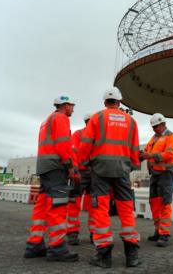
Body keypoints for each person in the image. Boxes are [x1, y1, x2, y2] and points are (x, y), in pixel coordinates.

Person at [79, 87, 141, 268]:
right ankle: (132, 256)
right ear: (119, 102)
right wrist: (131, 166)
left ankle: (104, 256)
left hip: (100, 170)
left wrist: (83, 163)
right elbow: (135, 147)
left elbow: (86, 144)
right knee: (126, 208)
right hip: (122, 170)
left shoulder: (97, 118)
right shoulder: (131, 121)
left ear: (105, 102)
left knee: (101, 209)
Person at [24, 94, 79, 262]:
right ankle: (57, 247)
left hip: (44, 166)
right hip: (56, 167)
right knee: (58, 204)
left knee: (42, 204)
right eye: (72, 105)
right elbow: (63, 144)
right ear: (65, 105)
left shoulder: (46, 120)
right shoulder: (61, 118)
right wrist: (70, 165)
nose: (73, 109)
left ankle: (35, 244)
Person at [140, 113, 173, 247]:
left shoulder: (171, 137)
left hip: (167, 173)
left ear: (163, 124)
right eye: (153, 127)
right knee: (154, 202)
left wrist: (149, 155)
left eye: (156, 126)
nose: (154, 129)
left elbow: (169, 155)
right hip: (155, 174)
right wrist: (141, 155)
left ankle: (165, 233)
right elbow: (146, 151)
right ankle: (158, 231)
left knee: (164, 203)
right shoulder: (153, 138)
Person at [66, 113, 93, 245]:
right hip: (80, 173)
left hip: (94, 174)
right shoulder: (78, 135)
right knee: (74, 202)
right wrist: (75, 170)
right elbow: (73, 152)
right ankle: (72, 232)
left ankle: (95, 232)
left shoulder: (97, 136)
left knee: (95, 204)